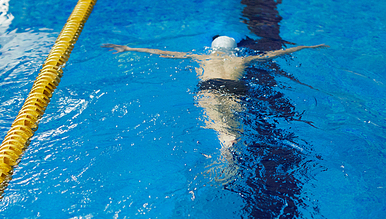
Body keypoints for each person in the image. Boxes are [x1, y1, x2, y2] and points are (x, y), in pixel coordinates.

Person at [103, 36, 328, 154]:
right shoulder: (241, 59)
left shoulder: (202, 58)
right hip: (235, 88)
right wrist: (305, 47)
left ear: (213, 47)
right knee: (233, 124)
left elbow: (164, 53)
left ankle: (226, 150)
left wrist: (130, 49)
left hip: (209, 87)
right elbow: (274, 53)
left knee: (217, 122)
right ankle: (231, 142)